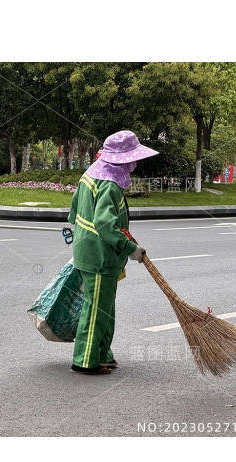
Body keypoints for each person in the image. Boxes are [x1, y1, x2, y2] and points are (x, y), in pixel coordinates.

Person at [67, 130, 159, 375]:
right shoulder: (110, 185)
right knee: (96, 309)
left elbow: (73, 210)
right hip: (100, 257)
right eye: (132, 159)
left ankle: (102, 354)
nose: (134, 165)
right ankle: (85, 360)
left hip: (90, 251)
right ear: (123, 160)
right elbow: (105, 225)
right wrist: (130, 248)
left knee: (104, 308)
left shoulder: (91, 174)